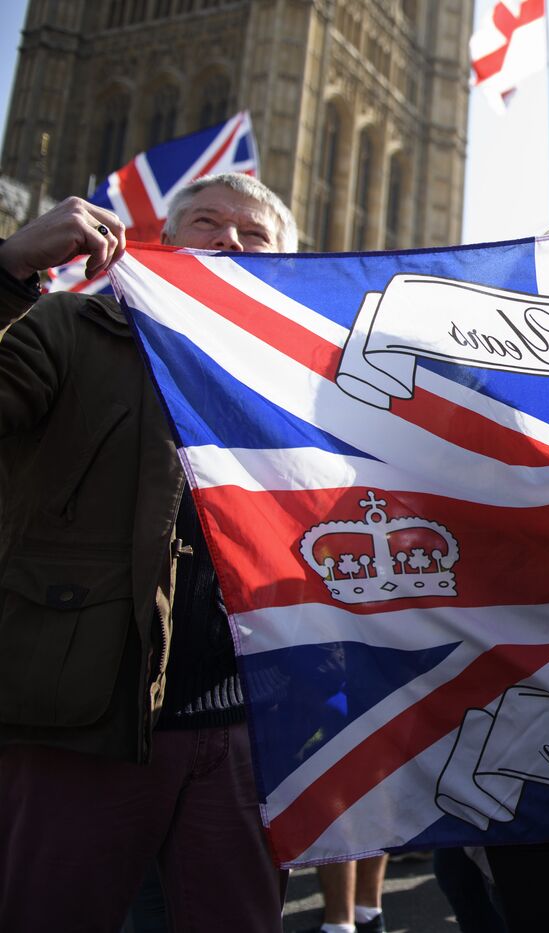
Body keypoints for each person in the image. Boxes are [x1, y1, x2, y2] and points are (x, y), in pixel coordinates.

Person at [0, 174, 297, 929]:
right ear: (162, 240)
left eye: (255, 235)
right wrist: (7, 269)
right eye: (208, 222)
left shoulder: (309, 382)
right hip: (87, 716)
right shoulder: (71, 328)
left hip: (248, 730)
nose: (230, 241)